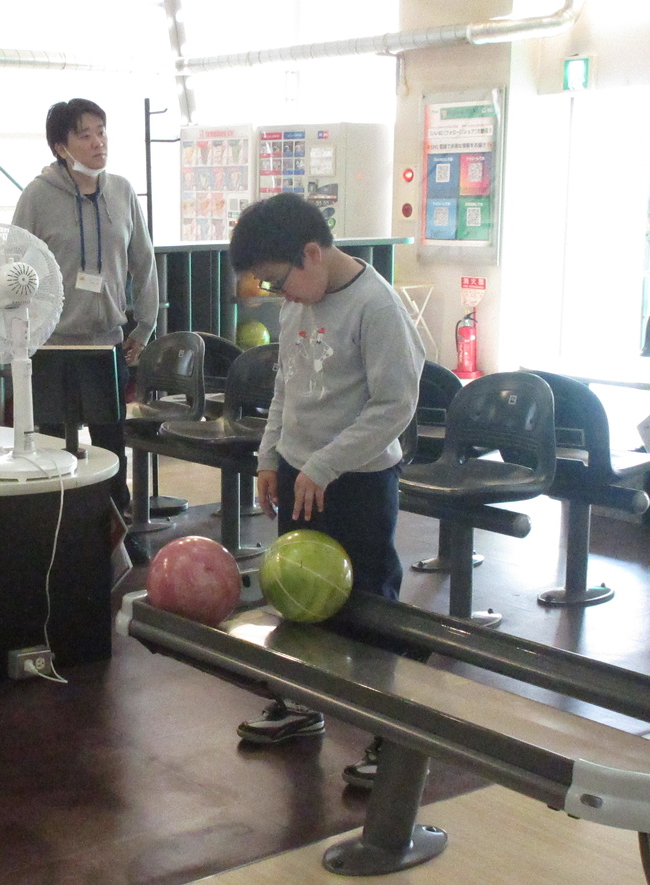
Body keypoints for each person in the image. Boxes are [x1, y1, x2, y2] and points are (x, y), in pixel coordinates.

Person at [227, 193, 424, 789]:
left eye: (279, 280)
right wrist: (269, 459)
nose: (277, 295)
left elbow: (396, 406)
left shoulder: (377, 306)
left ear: (312, 253)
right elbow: (287, 387)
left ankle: (388, 737)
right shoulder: (297, 304)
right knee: (298, 594)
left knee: (367, 603)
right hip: (298, 471)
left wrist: (327, 464)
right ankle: (299, 703)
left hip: (358, 480)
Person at [11, 98, 159, 519]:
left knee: (110, 446)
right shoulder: (38, 197)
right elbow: (14, 264)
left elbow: (143, 262)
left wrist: (144, 326)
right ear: (61, 147)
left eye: (102, 131)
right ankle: (62, 528)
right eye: (85, 134)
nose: (98, 142)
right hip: (51, 345)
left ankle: (114, 532)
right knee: (55, 444)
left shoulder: (123, 191)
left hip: (107, 342)